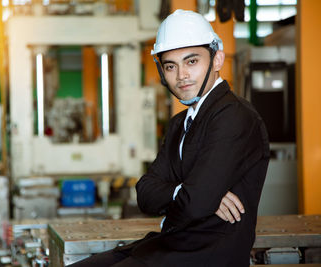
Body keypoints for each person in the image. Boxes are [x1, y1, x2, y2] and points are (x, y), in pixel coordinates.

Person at [69, 9, 269, 267]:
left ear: (217, 59)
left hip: (205, 255)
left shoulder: (234, 117)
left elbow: (196, 204)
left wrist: (195, 195)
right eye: (170, 66)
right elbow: (145, 193)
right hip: (168, 245)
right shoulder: (180, 124)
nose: (181, 75)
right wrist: (187, 191)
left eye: (192, 61)